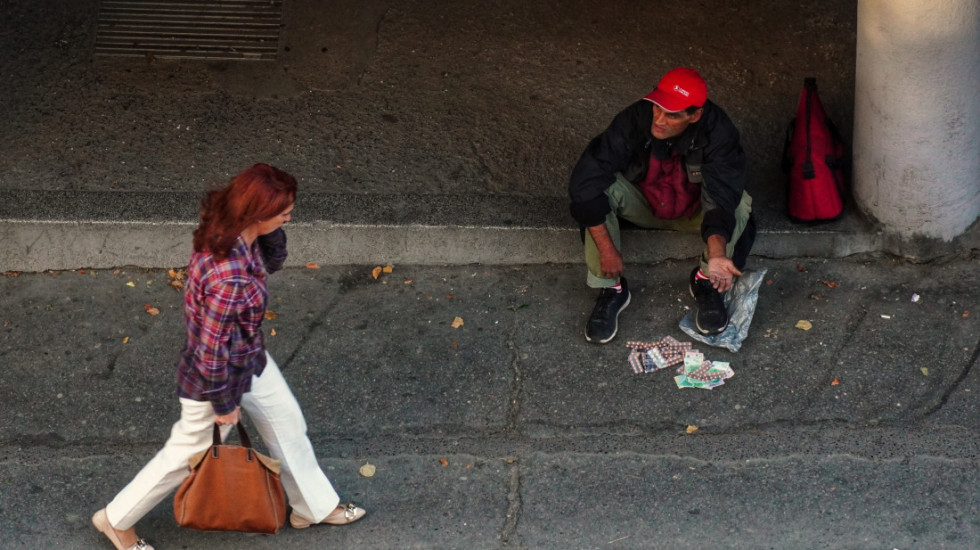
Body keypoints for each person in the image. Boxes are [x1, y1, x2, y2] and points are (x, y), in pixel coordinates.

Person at [92, 164, 366, 550]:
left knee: (287, 424)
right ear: (256, 213)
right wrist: (223, 404)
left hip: (247, 357)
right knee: (186, 454)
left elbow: (273, 262)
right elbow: (210, 346)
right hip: (216, 377)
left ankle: (312, 507)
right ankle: (116, 520)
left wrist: (267, 228)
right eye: (283, 212)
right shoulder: (230, 277)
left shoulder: (234, 234)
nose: (290, 217)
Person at [569, 67, 756, 344]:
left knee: (741, 202)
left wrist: (717, 253)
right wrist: (607, 251)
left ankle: (706, 280)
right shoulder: (635, 117)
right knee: (597, 189)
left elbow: (721, 195)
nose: (659, 120)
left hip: (695, 213)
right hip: (644, 205)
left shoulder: (719, 131)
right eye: (657, 108)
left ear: (694, 115)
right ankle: (612, 289)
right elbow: (586, 180)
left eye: (672, 115)